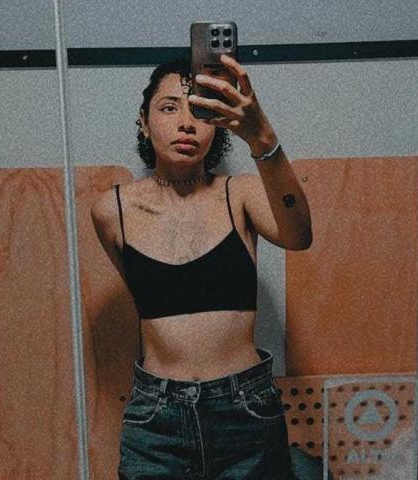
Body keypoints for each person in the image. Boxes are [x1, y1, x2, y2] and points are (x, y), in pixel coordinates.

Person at [91, 53, 317, 479]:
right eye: (169, 108)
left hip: (244, 409)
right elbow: (145, 295)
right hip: (156, 419)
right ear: (144, 122)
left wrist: (262, 135)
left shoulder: (241, 194)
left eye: (200, 111)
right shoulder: (112, 211)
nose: (186, 124)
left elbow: (299, 236)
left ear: (218, 124)